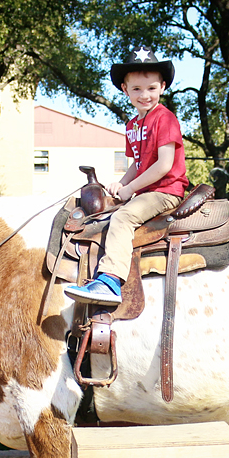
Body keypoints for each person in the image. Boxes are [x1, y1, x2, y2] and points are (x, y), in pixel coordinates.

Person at [65, 46, 189, 306]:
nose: (145, 95)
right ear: (125, 90)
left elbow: (163, 165)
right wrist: (121, 183)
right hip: (145, 189)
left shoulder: (165, 119)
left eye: (152, 88)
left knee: (122, 218)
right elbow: (139, 163)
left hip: (166, 191)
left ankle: (110, 281)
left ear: (163, 87)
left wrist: (130, 188)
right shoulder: (133, 125)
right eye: (136, 89)